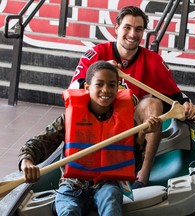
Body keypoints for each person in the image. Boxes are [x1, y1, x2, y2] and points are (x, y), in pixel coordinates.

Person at [69, 6, 195, 188]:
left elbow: (175, 95)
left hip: (132, 134)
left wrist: (187, 105)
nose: (132, 34)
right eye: (127, 27)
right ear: (116, 29)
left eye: (138, 29)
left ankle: (142, 176)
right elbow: (73, 88)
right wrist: (101, 69)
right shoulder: (97, 54)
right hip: (97, 127)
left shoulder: (153, 61)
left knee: (154, 104)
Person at [18, 61, 162, 216]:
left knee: (111, 205)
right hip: (72, 185)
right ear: (87, 87)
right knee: (68, 211)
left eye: (112, 85)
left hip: (107, 184)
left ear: (117, 88)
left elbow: (133, 165)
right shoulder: (69, 118)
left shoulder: (127, 122)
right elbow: (40, 142)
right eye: (99, 84)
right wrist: (26, 160)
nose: (106, 90)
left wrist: (142, 136)